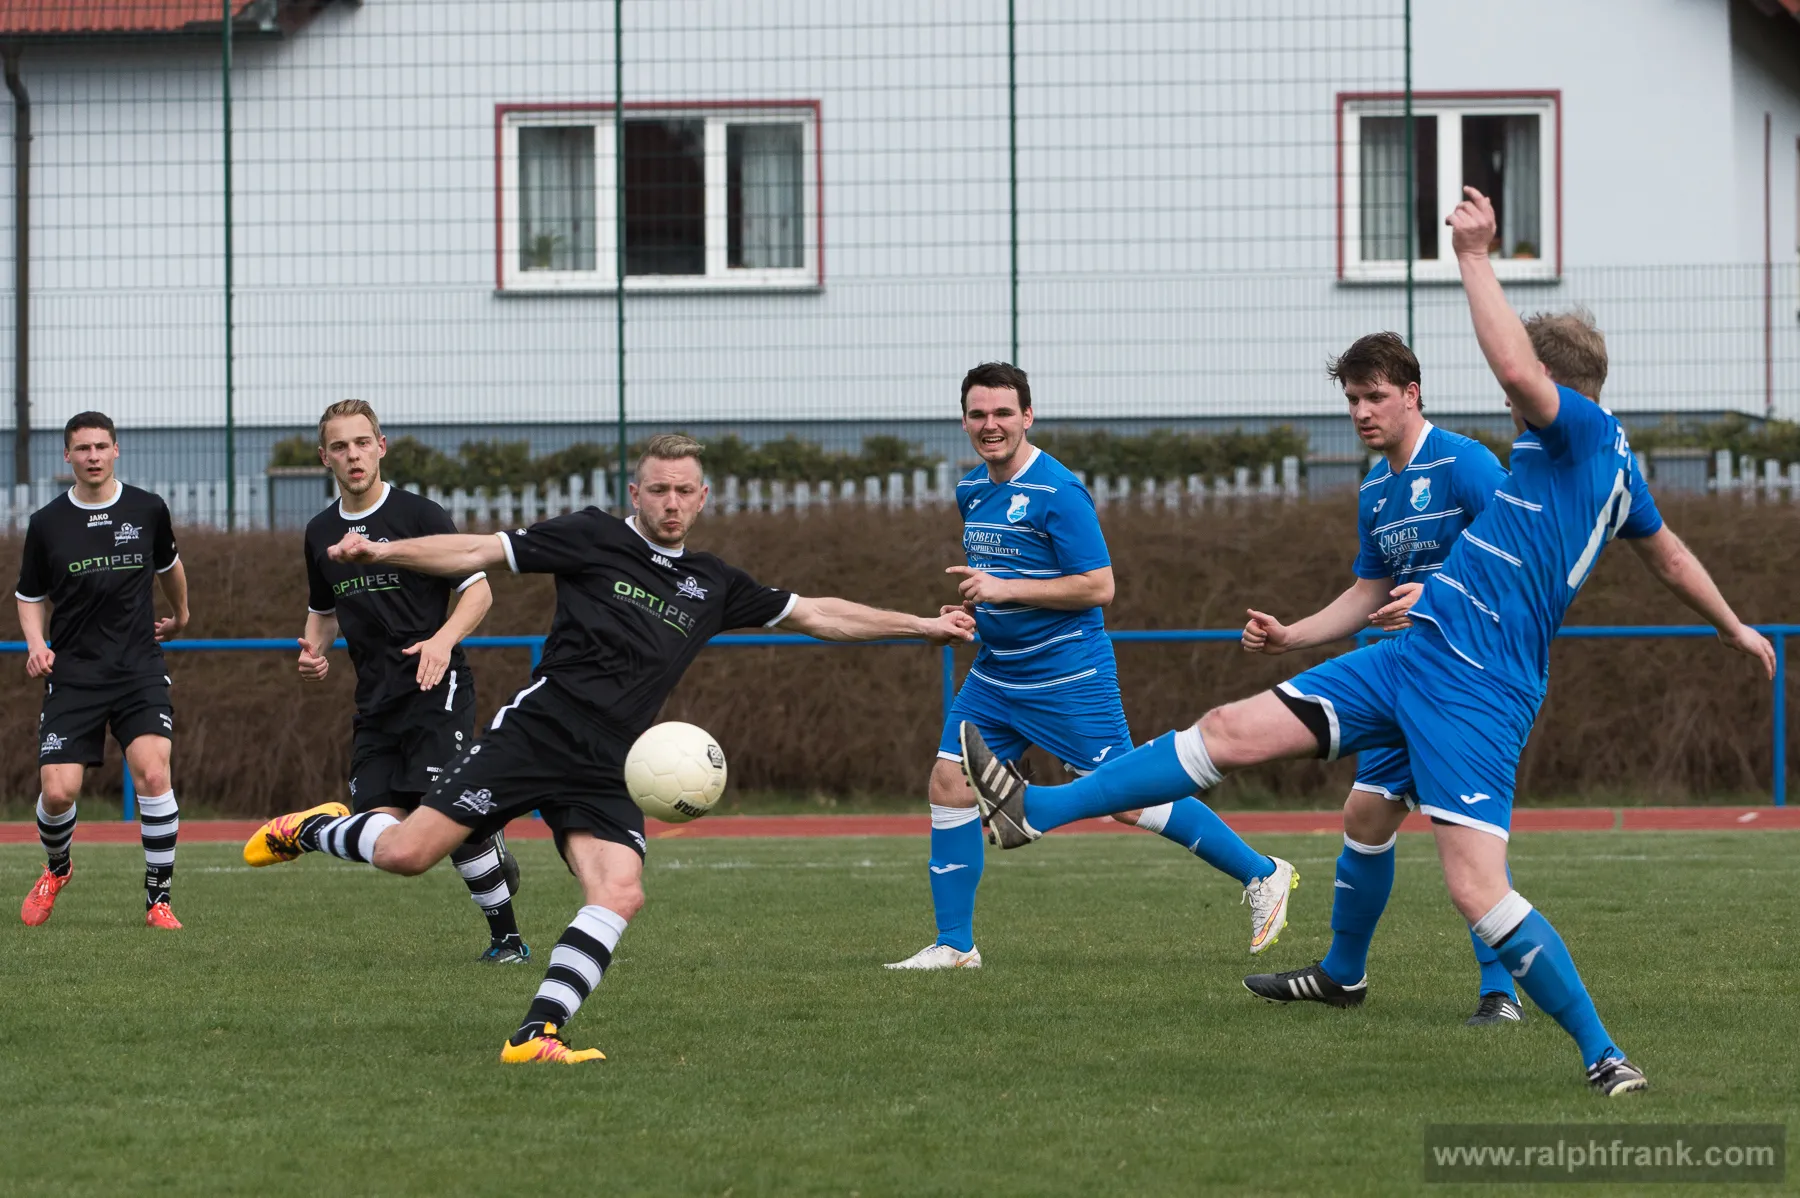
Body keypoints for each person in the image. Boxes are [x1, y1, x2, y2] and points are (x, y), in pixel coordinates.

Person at [959, 189, 1776, 1096]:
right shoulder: (1607, 469)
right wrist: (1733, 624)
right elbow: (1669, 556)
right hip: (1416, 653)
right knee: (1228, 731)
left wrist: (1474, 256)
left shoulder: (1578, 433)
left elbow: (1516, 371)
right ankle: (1037, 811)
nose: (1512, 403)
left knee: (1477, 890)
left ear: (1556, 386)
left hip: (1477, 684)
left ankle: (1602, 1053)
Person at [245, 433, 976, 1062]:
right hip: (536, 735)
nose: (670, 502)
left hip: (612, 765)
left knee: (621, 891)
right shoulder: (593, 535)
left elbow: (818, 614)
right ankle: (314, 828)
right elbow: (476, 549)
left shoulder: (713, 584)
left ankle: (536, 1034)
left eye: (683, 491)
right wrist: (384, 548)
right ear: (636, 492)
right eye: (658, 489)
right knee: (406, 854)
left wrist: (922, 625)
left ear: (703, 497)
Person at [885, 362, 1296, 972]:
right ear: (963, 421)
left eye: (1003, 413)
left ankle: (1262, 873)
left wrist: (1004, 590)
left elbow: (1098, 586)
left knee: (1127, 799)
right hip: (996, 674)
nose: (991, 425)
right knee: (948, 783)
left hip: (1068, 676)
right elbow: (1000, 580)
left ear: (1028, 416)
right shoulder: (971, 490)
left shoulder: (1059, 491)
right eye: (978, 414)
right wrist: (974, 609)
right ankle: (954, 945)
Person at [1240, 333, 1526, 1026]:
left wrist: (1438, 597)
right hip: (1407, 676)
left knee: (1464, 831)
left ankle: (1503, 993)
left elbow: (1521, 556)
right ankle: (1343, 975)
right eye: (1352, 399)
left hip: (1470, 677)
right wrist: (1291, 636)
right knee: (1366, 814)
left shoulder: (1464, 464)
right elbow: (1369, 591)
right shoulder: (1375, 488)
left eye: (1375, 396)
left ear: (1411, 394)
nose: (1362, 412)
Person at [298, 399, 527, 963]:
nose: (353, 455)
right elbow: (323, 611)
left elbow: (479, 591)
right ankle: (486, 828)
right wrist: (314, 651)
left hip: (435, 689)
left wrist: (442, 641)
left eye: (362, 443)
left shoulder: (420, 515)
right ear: (324, 457)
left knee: (445, 814)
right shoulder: (320, 532)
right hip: (375, 704)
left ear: (381, 447)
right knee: (381, 834)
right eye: (340, 446)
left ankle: (508, 941)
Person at [15, 412, 189, 929]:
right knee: (57, 792)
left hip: (138, 668)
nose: (92, 456)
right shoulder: (46, 523)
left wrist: (181, 616)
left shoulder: (147, 509)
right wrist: (36, 643)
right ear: (67, 455)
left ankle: (158, 900)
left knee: (154, 772)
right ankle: (57, 867)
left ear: (116, 450)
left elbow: (170, 567)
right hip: (74, 673)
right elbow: (29, 596)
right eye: (82, 448)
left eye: (100, 446)